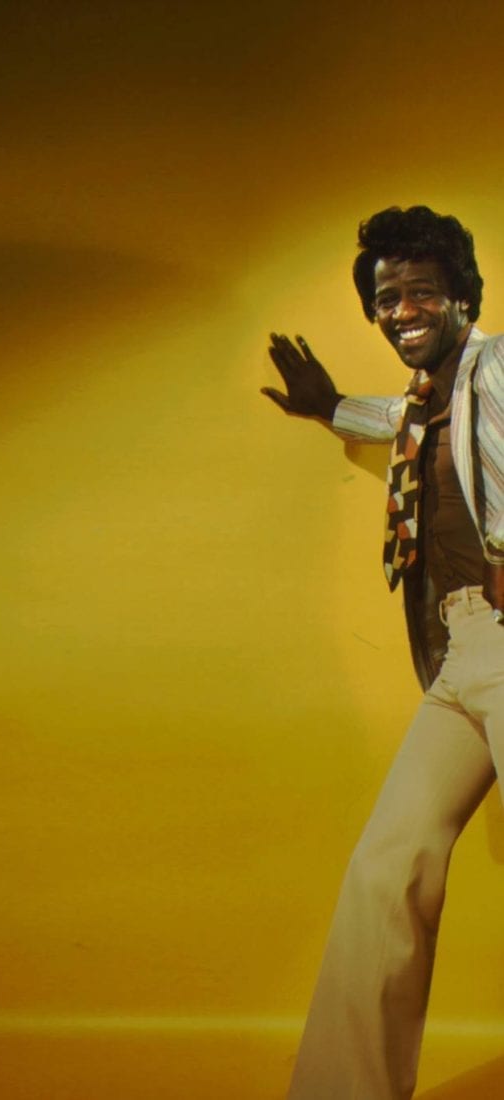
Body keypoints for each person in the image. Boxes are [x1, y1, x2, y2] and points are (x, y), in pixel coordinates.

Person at [261, 205, 504, 1100]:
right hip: (461, 656)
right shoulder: (420, 405)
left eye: (420, 292)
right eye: (385, 298)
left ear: (463, 297)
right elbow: (402, 426)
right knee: (386, 870)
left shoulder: (498, 366)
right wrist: (330, 407)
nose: (399, 311)